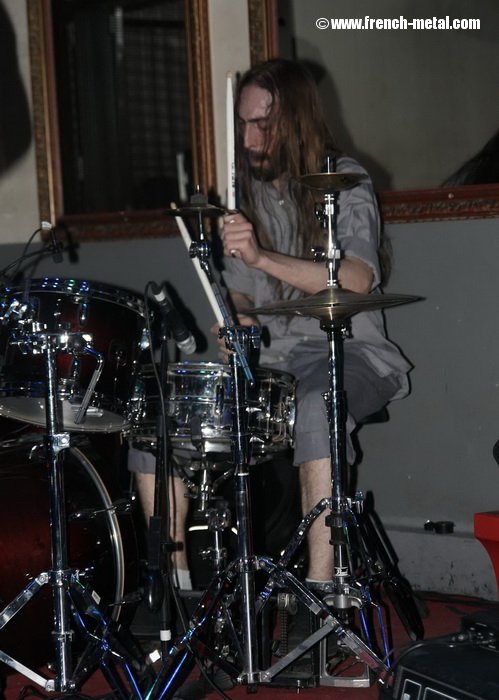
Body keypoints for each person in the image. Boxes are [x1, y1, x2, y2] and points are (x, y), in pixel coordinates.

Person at [217, 58, 411, 593]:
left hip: (352, 354)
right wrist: (237, 315)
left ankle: (321, 594)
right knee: (169, 416)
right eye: (243, 125)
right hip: (272, 361)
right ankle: (184, 590)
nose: (249, 140)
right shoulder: (249, 195)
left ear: (296, 120)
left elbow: (356, 278)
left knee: (315, 407)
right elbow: (239, 288)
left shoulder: (345, 181)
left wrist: (262, 258)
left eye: (262, 124)